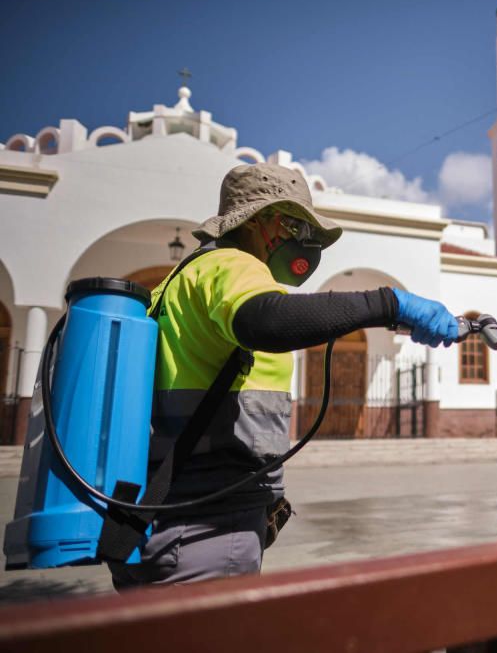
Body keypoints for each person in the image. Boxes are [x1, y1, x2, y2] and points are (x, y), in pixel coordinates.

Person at [109, 164, 457, 588]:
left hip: (166, 517)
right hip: (206, 527)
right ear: (260, 222)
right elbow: (266, 321)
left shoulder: (182, 278)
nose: (305, 240)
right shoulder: (232, 265)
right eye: (297, 224)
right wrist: (389, 303)